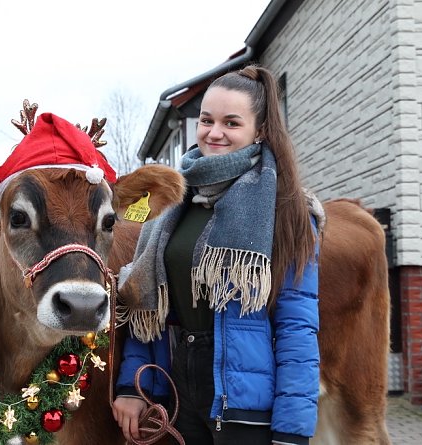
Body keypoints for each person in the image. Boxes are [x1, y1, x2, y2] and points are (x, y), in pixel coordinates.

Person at [111, 64, 320, 445]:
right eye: (206, 120)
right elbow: (146, 303)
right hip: (177, 394)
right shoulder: (174, 201)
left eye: (232, 122)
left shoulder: (287, 211)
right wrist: (131, 386)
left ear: (260, 130)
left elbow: (297, 329)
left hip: (246, 405)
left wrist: (293, 429)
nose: (214, 132)